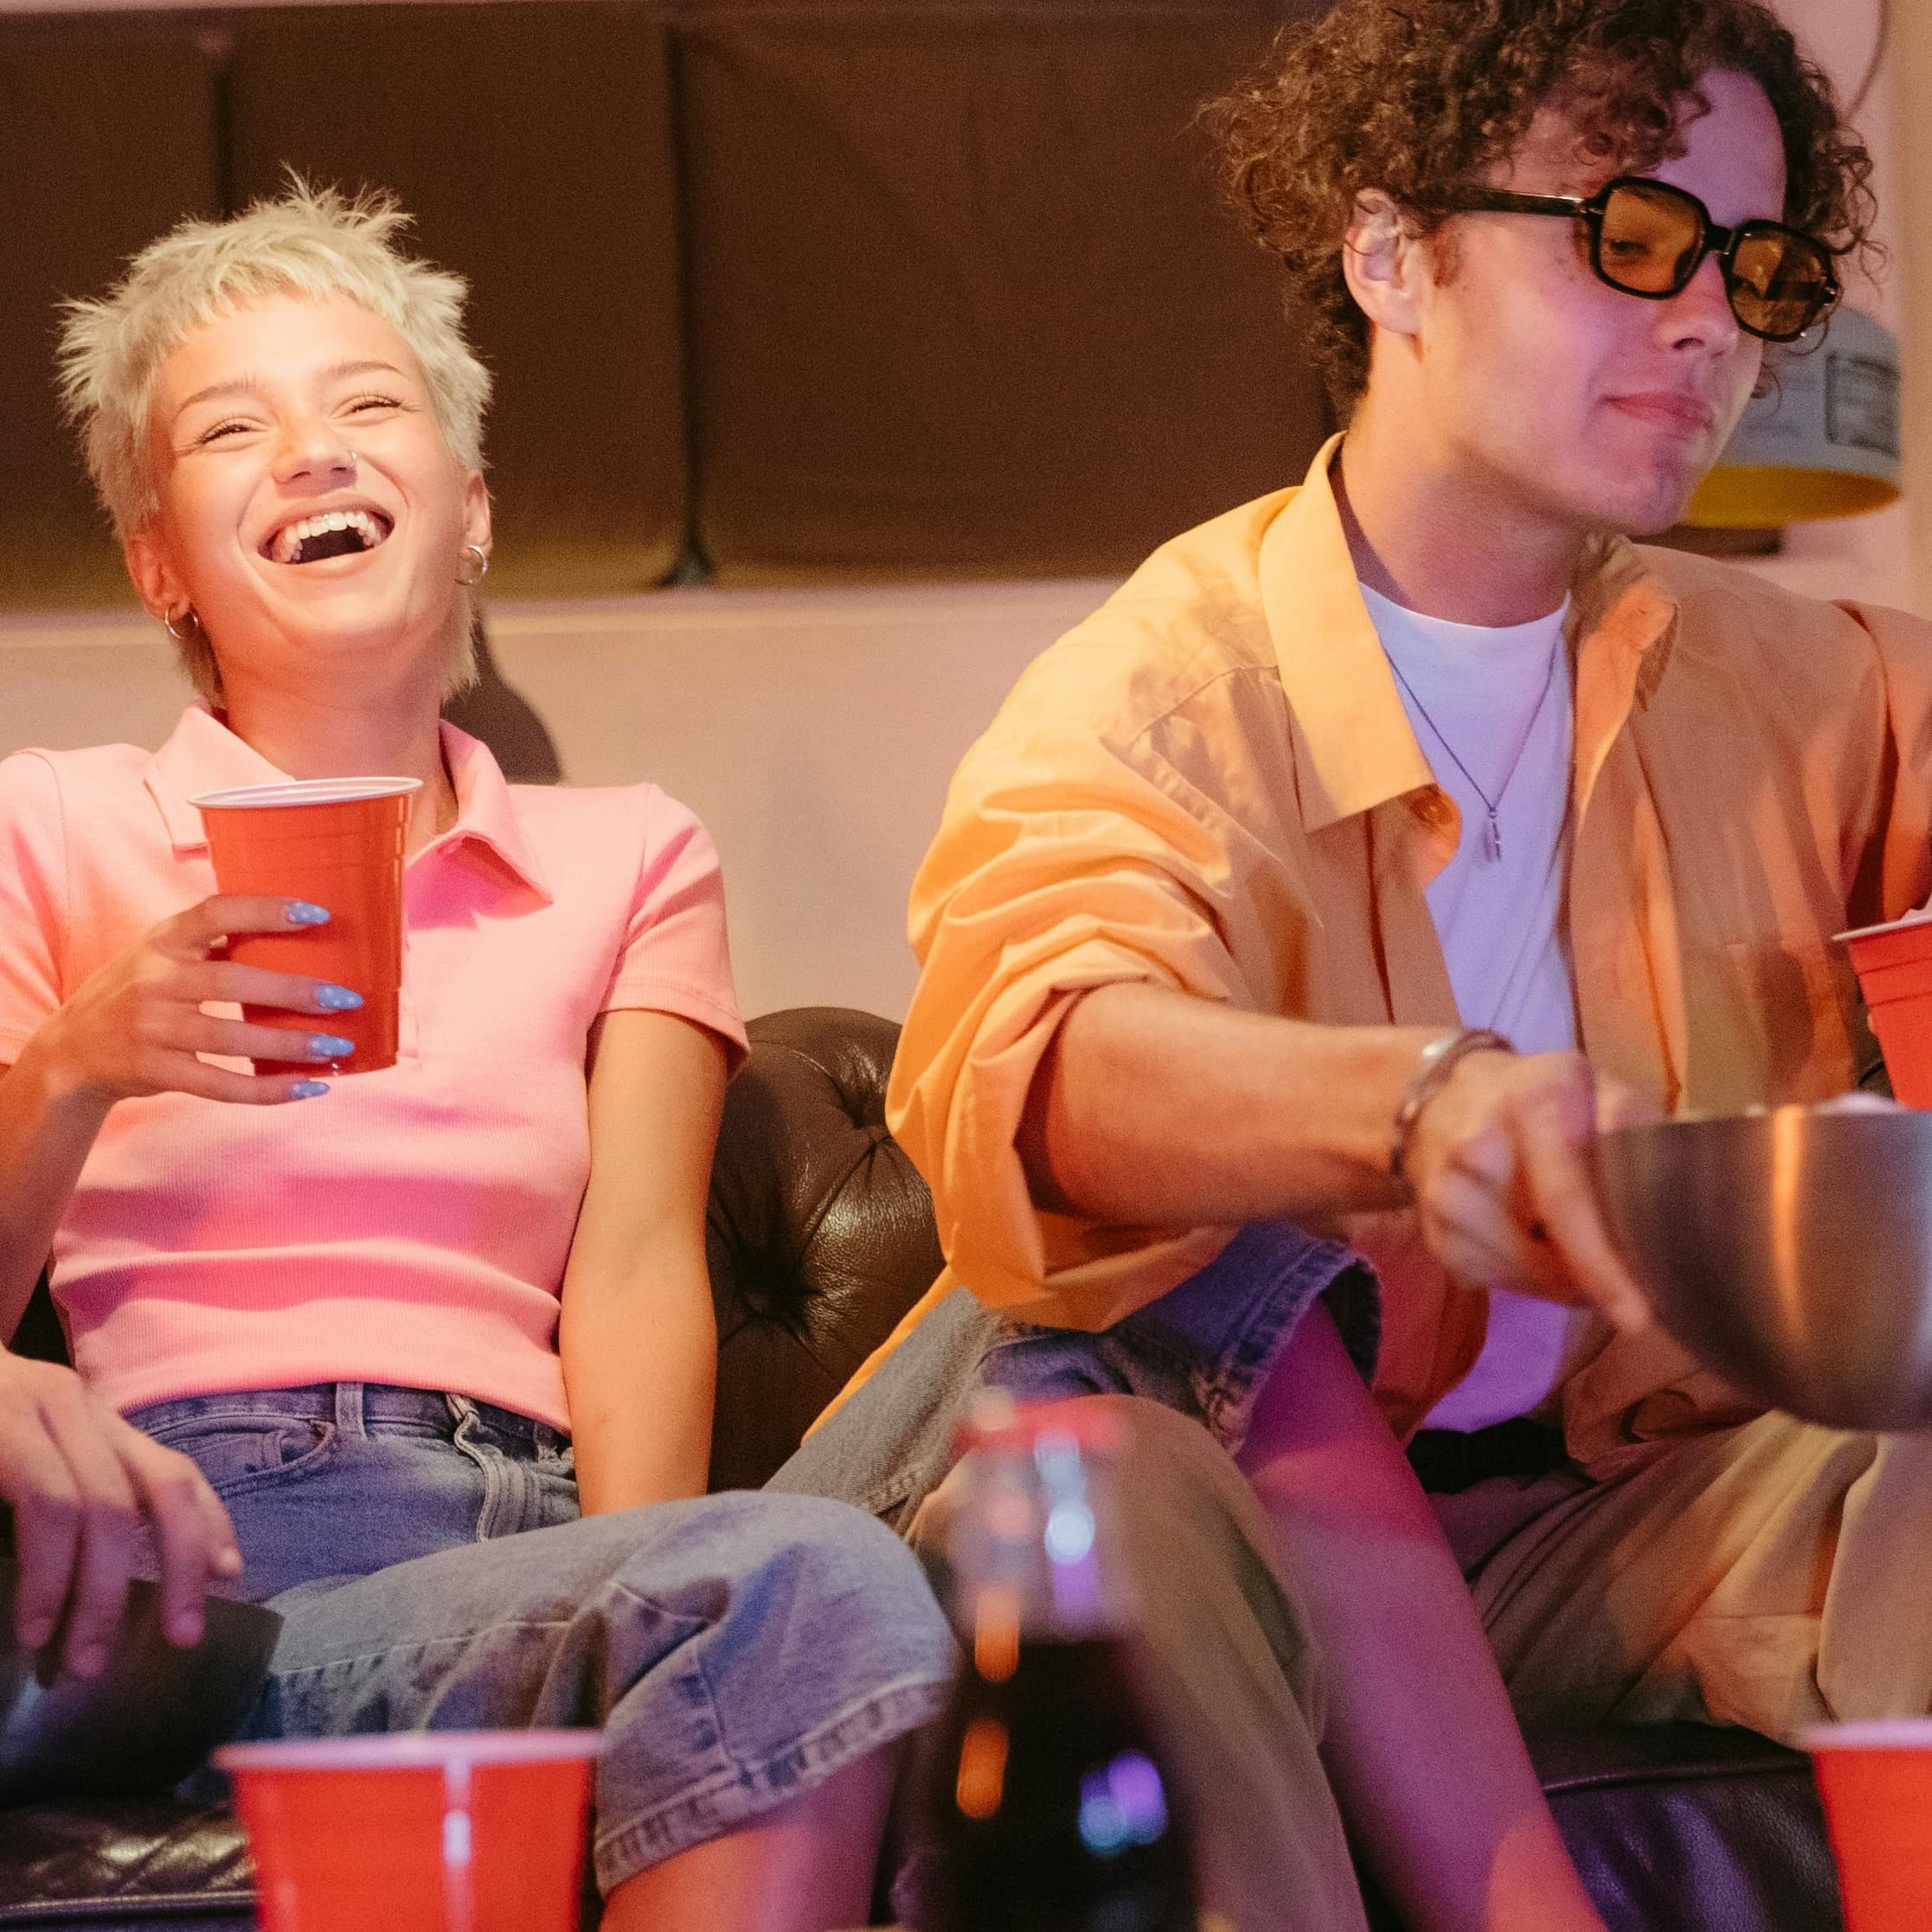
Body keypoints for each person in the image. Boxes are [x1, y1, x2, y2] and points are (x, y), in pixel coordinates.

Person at [776, 2, 1923, 1928]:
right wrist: (1417, 1103)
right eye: (1629, 236)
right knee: (1091, 1493)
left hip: (1645, 1514)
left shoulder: (1800, 683)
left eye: (1756, 262)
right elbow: (1041, 1054)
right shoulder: (1166, 689)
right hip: (1260, 1518)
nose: (1708, 317)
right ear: (1390, 251)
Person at [0, 182, 954, 1932]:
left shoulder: (631, 854)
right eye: (234, 427)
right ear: (158, 564)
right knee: (794, 1584)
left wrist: (639, 1588)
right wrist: (76, 1059)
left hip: (549, 1529)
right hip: (231, 1579)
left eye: (369, 404)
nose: (309, 450)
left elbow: (643, 1264)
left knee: (1151, 1277)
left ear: (475, 508)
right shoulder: (48, 825)